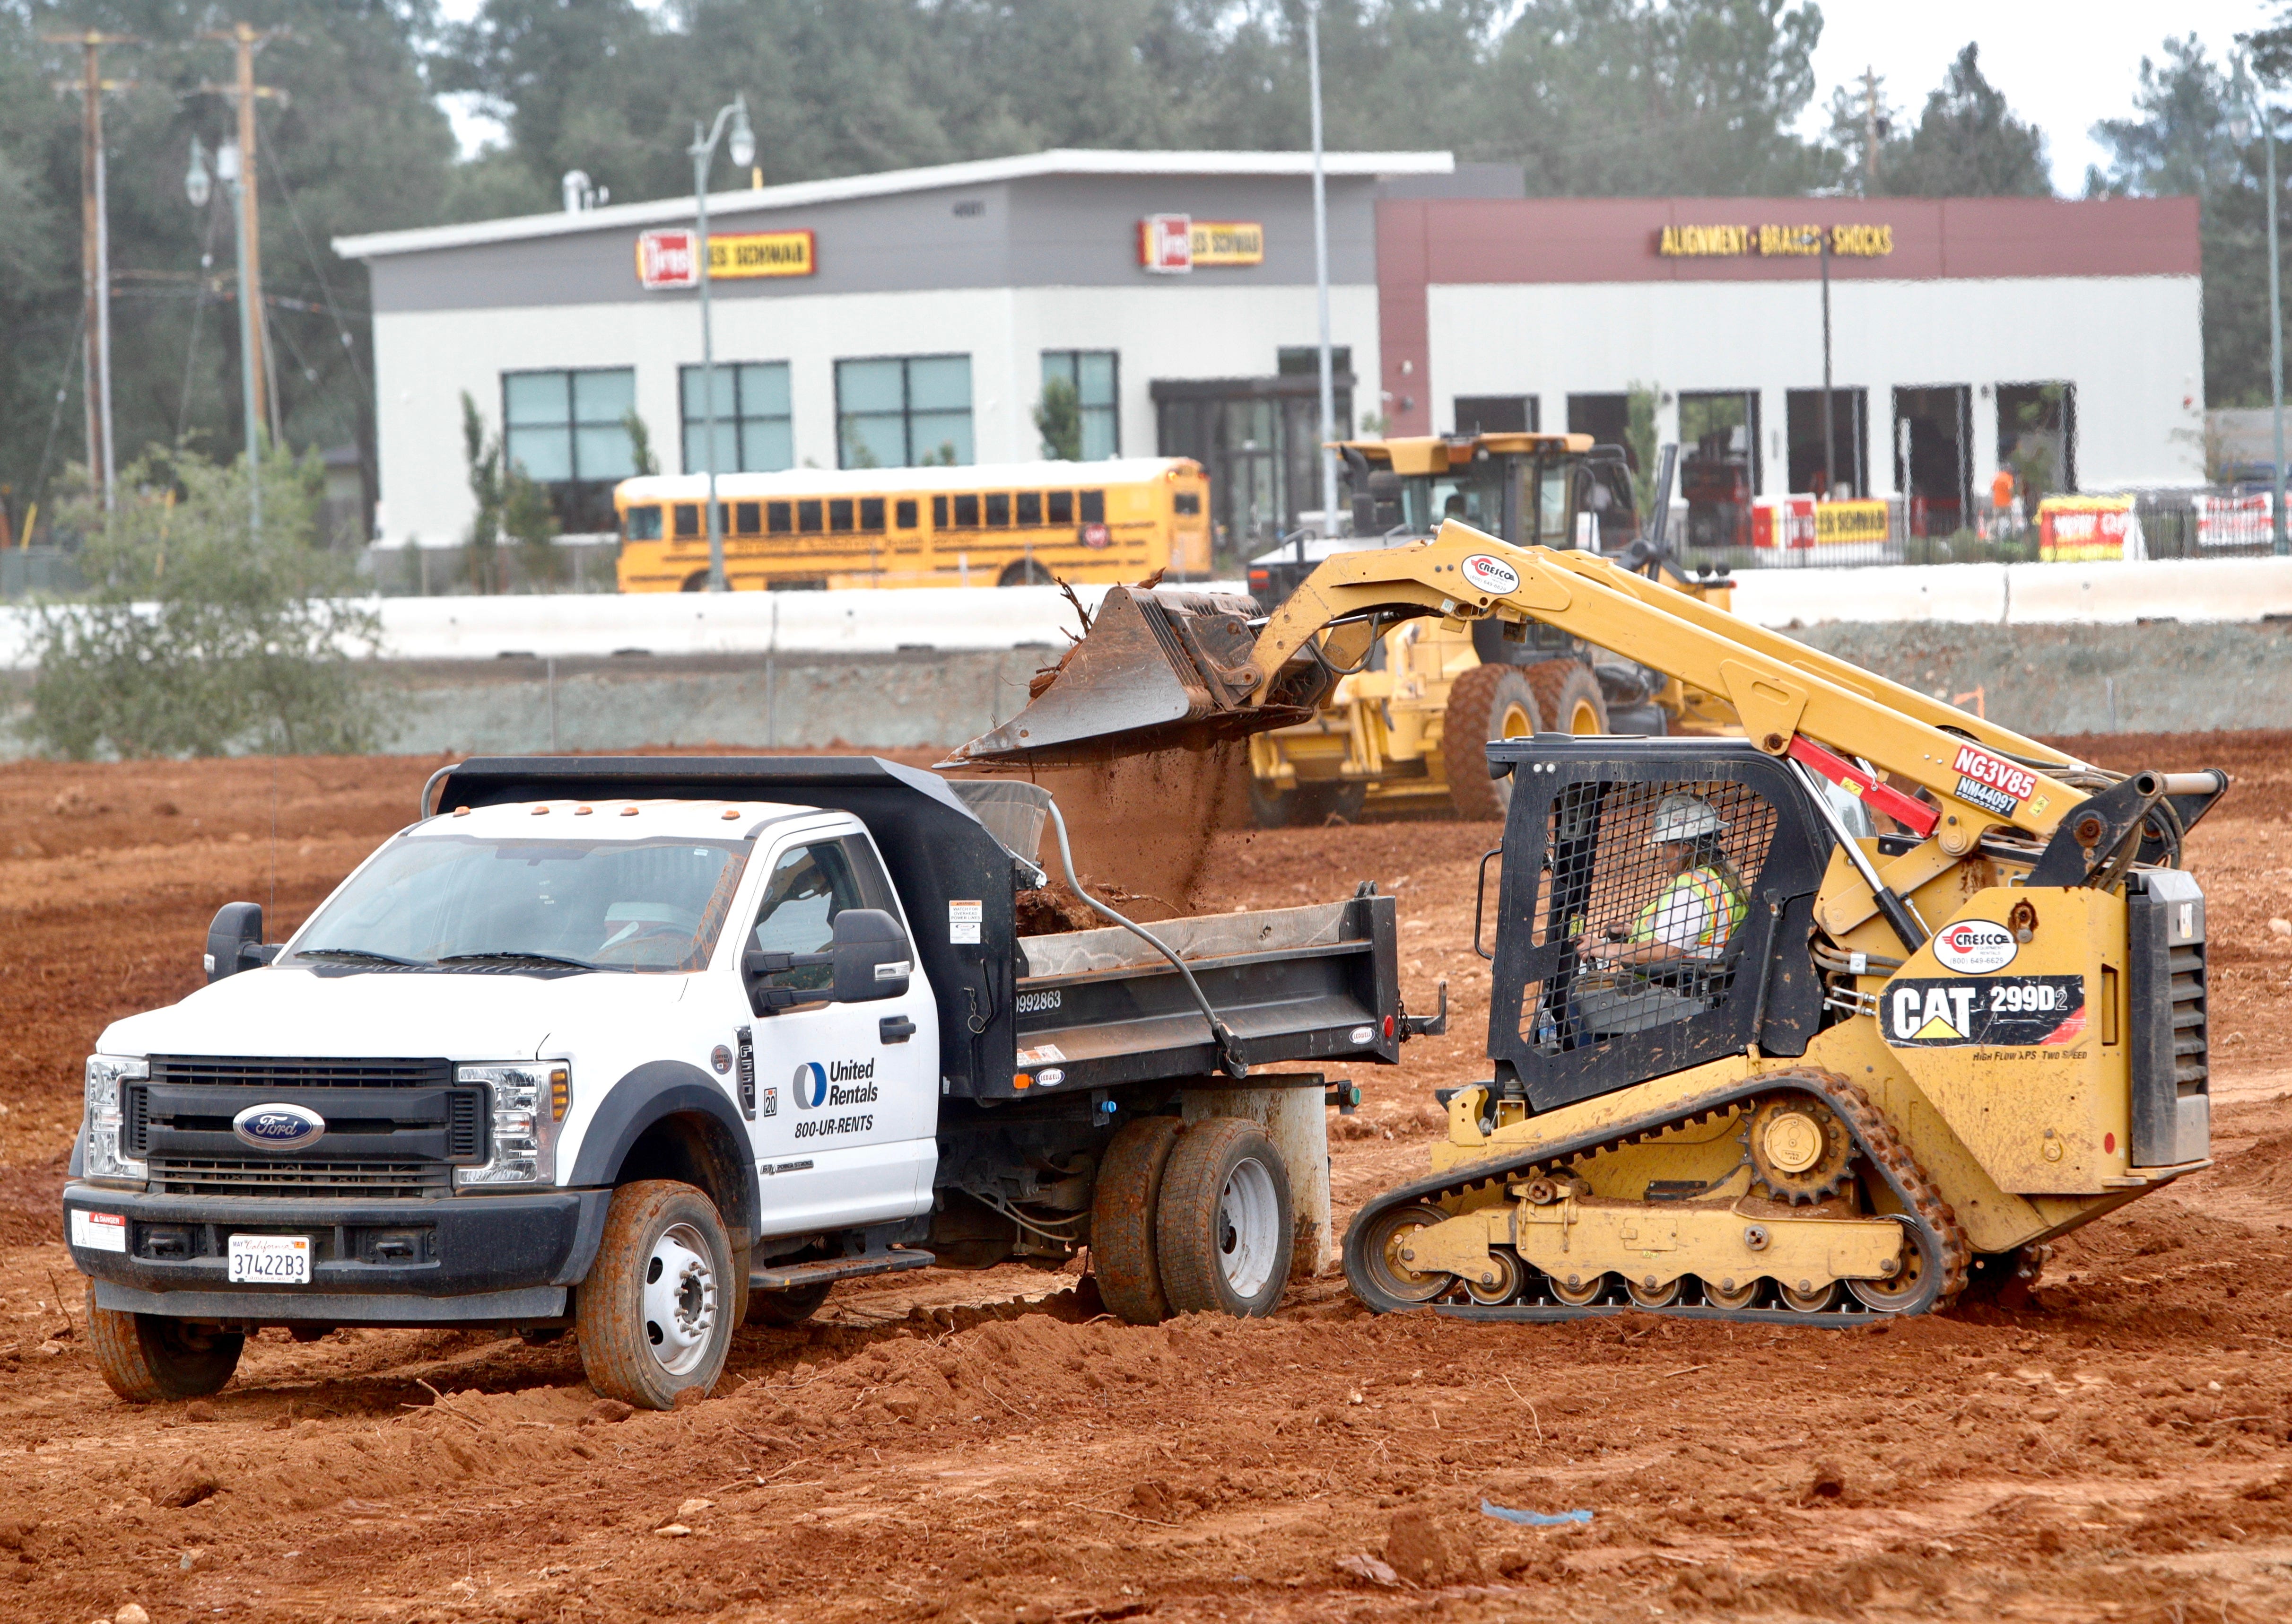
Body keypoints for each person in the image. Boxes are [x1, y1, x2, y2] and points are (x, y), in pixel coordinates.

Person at [1577, 792, 1749, 973]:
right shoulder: (1720, 879)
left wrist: (1604, 949)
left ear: (1683, 847)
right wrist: (1635, 931)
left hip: (1681, 990)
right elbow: (1692, 933)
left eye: (1665, 844)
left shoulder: (1690, 890)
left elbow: (1668, 951)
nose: (1662, 853)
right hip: (1701, 982)